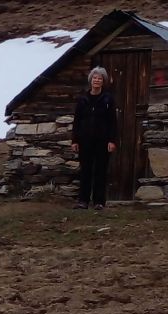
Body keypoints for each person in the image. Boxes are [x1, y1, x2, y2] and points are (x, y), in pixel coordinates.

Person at [71, 66, 118, 210]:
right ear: (90, 80)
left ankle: (99, 202)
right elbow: (77, 120)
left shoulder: (108, 99)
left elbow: (113, 121)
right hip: (85, 139)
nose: (97, 80)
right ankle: (83, 200)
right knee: (85, 170)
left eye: (100, 78)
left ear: (103, 82)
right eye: (94, 78)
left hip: (102, 140)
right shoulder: (83, 99)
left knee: (100, 170)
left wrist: (112, 140)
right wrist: (75, 140)